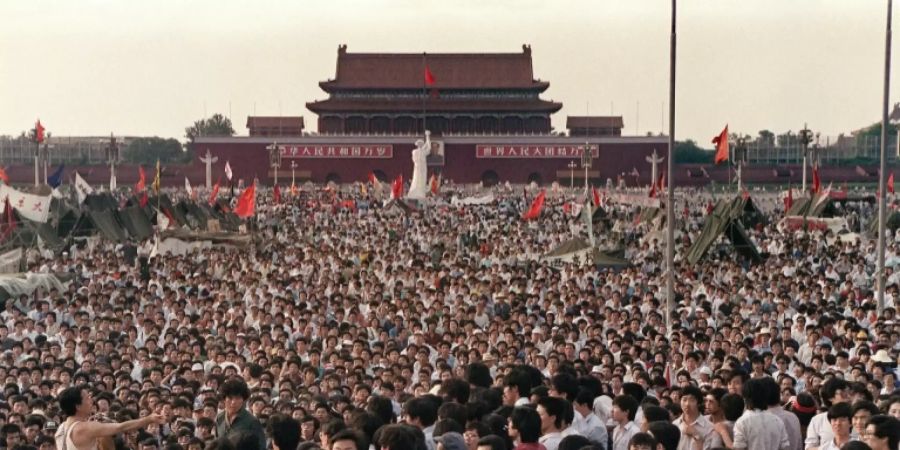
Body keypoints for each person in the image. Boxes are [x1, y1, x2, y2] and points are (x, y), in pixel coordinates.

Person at [55, 385, 165, 450]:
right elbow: (120, 427)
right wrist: (149, 419)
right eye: (87, 398)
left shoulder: (61, 428)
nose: (92, 401)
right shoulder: (86, 427)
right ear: (78, 406)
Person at [733, 378, 790, 450]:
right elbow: (785, 447)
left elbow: (739, 447)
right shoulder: (777, 421)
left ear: (745, 398)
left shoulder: (742, 422)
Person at [215, 378, 266, 450]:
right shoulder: (220, 418)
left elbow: (261, 446)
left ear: (243, 400)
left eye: (238, 398)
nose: (233, 402)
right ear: (224, 399)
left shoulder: (252, 421)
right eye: (230, 398)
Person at [806, 379, 849, 450]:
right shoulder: (818, 420)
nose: (848, 397)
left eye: (849, 392)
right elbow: (809, 447)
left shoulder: (857, 418)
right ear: (830, 398)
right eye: (843, 393)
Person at [673, 386, 720, 450]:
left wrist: (696, 435)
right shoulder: (675, 425)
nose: (687, 404)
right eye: (684, 400)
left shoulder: (709, 427)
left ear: (698, 403)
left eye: (692, 400)